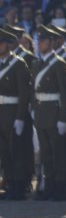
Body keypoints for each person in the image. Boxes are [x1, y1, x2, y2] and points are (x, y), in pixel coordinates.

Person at [31, 24, 66, 201]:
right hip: (41, 113)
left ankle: (59, 186)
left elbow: (65, 93)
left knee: (58, 152)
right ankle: (49, 184)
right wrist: (34, 109)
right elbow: (34, 90)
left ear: (53, 42)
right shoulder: (37, 63)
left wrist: (63, 118)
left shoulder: (59, 64)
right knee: (46, 153)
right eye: (39, 40)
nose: (41, 43)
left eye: (45, 40)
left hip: (55, 113)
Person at [0, 27, 32, 200]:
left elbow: (24, 93)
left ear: (8, 45)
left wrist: (20, 117)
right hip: (1, 112)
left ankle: (19, 186)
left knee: (16, 150)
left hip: (13, 112)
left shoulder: (18, 63)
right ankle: (10, 183)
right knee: (5, 151)